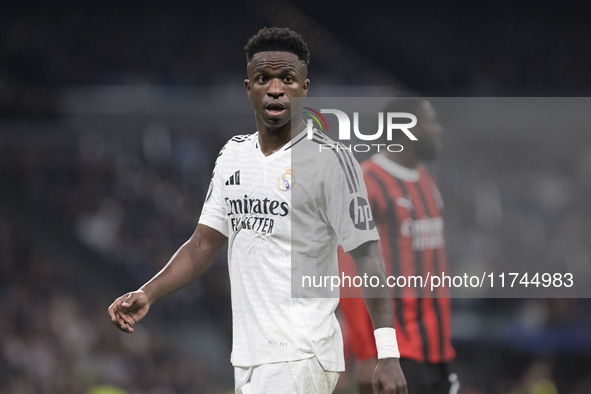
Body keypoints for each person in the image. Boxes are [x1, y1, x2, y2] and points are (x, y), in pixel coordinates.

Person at [108, 27, 407, 394]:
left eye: (288, 79)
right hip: (250, 357)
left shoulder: (330, 160)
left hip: (301, 353)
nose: (276, 88)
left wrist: (387, 355)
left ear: (304, 88)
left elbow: (368, 258)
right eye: (264, 78)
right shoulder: (233, 155)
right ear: (248, 88)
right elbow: (202, 245)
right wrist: (148, 293)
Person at [338, 98, 458, 394]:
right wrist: (368, 352)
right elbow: (349, 269)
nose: (439, 130)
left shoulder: (427, 181)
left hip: (438, 350)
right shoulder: (366, 181)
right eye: (432, 121)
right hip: (397, 355)